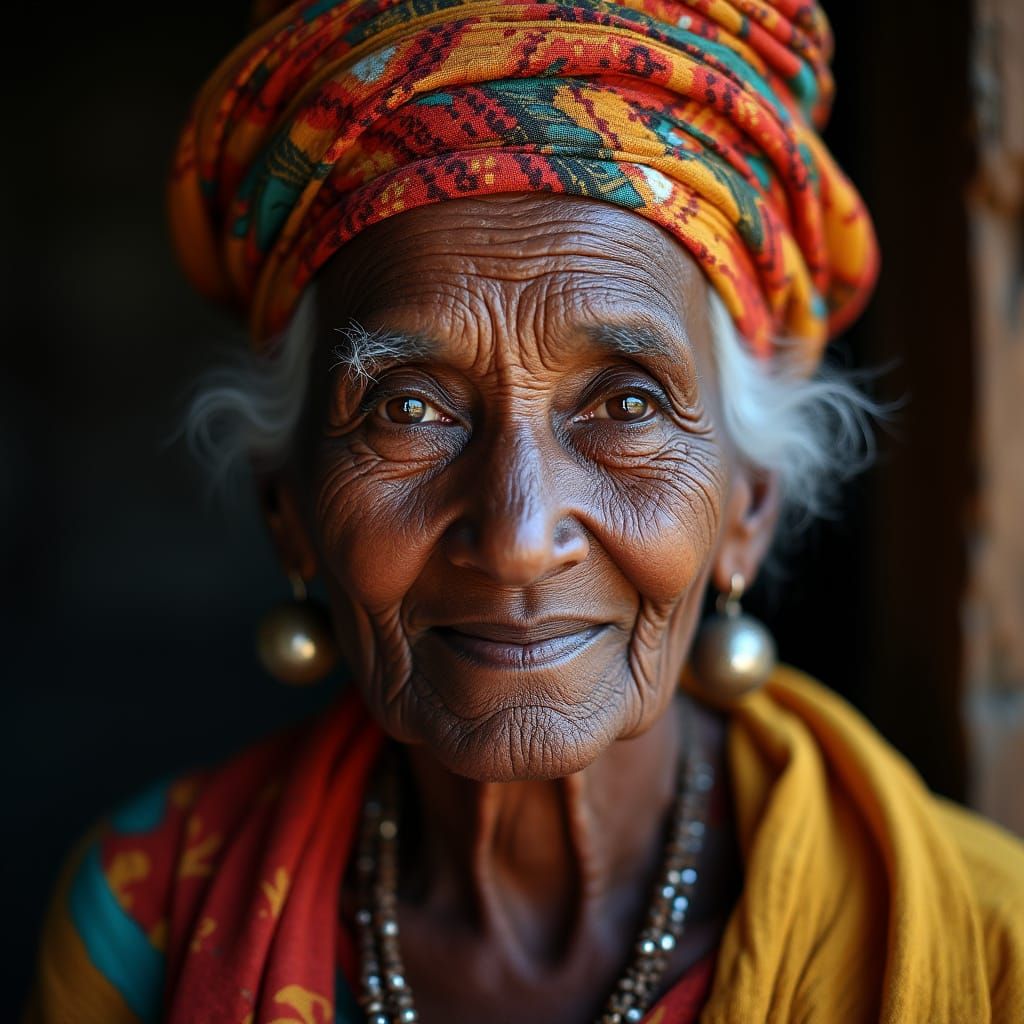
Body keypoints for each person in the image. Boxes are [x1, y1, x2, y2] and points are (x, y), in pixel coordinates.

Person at [23, 0, 1024, 1021]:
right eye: (408, 408)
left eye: (627, 405)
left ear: (748, 505)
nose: (515, 539)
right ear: (286, 506)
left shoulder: (994, 952)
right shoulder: (142, 923)